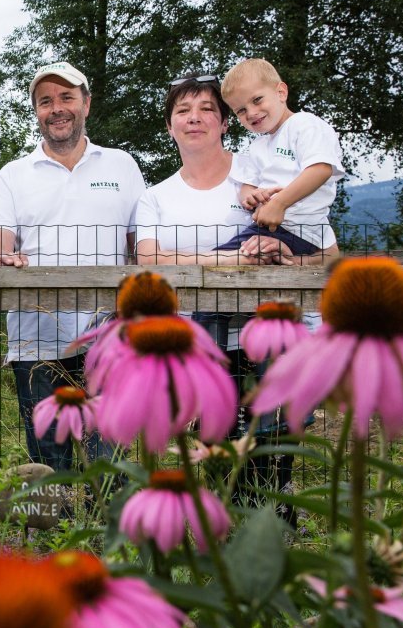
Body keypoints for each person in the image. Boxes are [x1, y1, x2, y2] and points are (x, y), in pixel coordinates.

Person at [136, 72, 339, 526]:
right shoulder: (156, 196)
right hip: (203, 334)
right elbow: (149, 259)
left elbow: (327, 260)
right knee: (219, 430)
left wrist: (284, 256)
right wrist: (229, 261)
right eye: (183, 111)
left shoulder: (267, 180)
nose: (195, 118)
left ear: (226, 123)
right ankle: (228, 519)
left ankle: (275, 517)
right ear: (169, 126)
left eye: (207, 109)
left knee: (275, 424)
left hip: (270, 327)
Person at [0, 61, 145, 472]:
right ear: (37, 111)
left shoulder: (122, 166)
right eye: (45, 101)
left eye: (67, 97)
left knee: (107, 462)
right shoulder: (12, 176)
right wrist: (2, 258)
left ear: (86, 104)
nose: (57, 108)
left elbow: (141, 249)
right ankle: (55, 537)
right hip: (36, 341)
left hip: (108, 338)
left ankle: (108, 533)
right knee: (49, 466)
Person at [217, 58, 344, 257]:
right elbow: (247, 185)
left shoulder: (305, 125)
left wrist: (279, 203)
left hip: (300, 230)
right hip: (268, 228)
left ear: (281, 92)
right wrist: (251, 196)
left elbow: (321, 169)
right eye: (241, 110)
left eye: (257, 100)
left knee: (219, 261)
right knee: (217, 259)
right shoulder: (257, 146)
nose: (251, 113)